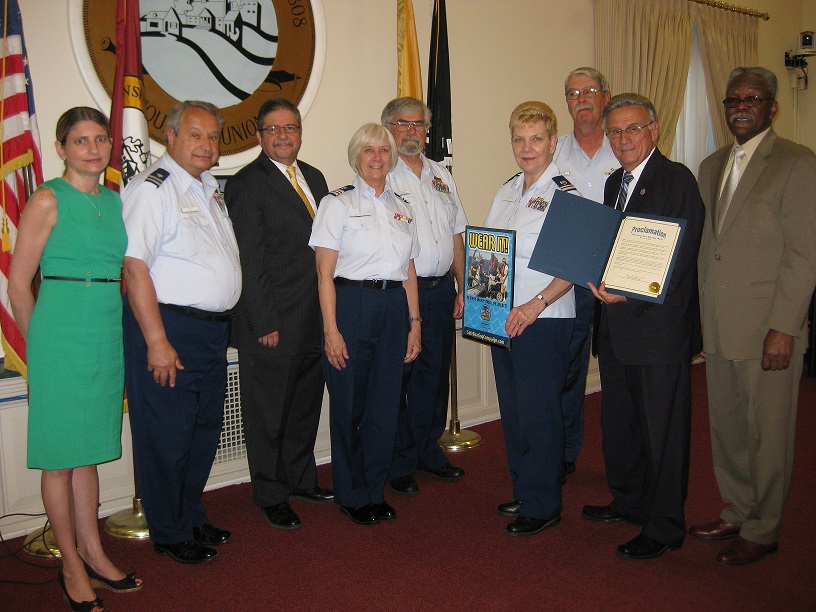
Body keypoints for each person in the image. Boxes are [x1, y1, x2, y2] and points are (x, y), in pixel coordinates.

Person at [9, 107, 141, 611]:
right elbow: (19, 284)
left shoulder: (114, 201)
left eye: (101, 139)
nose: (93, 148)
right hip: (59, 334)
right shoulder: (48, 199)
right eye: (81, 140)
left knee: (88, 452)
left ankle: (94, 552)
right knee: (62, 456)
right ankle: (69, 563)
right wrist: (40, 344)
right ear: (62, 148)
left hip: (105, 330)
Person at [690, 67, 816, 565]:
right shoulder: (710, 164)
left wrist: (785, 327)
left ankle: (764, 529)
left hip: (768, 327)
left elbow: (805, 255)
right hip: (719, 326)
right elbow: (706, 249)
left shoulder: (796, 163)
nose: (741, 107)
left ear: (772, 107)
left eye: (753, 99)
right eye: (733, 99)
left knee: (768, 434)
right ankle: (738, 509)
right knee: (727, 427)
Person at [583, 93, 704, 560]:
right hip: (616, 325)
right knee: (623, 422)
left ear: (654, 129)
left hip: (657, 330)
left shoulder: (677, 180)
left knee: (663, 431)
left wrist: (628, 290)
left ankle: (665, 524)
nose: (622, 139)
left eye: (632, 129)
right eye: (615, 131)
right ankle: (630, 500)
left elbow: (679, 256)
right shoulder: (616, 181)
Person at [122, 101, 242, 564]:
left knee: (202, 430)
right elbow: (134, 268)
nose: (206, 144)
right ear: (169, 137)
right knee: (168, 436)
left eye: (212, 137)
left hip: (209, 334)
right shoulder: (154, 189)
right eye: (195, 134)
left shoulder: (208, 187)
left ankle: (189, 513)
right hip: (169, 329)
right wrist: (156, 341)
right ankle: (170, 532)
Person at [225, 98, 333, 531]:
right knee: (268, 412)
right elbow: (248, 259)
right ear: (259, 135)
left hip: (313, 316)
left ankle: (300, 478)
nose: (283, 135)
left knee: (305, 405)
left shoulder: (315, 177)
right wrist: (263, 320)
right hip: (271, 322)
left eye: (290, 127)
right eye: (273, 129)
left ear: (300, 132)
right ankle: (270, 493)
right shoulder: (247, 184)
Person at [309, 123, 421, 526]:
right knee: (350, 403)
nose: (377, 157)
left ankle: (374, 489)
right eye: (369, 150)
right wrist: (331, 330)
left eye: (384, 150)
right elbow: (323, 274)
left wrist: (415, 322)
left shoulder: (403, 206)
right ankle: (352, 493)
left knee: (385, 403)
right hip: (351, 304)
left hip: (394, 306)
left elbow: (408, 268)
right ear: (356, 156)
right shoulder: (335, 204)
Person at [485, 101, 577, 536]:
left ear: (553, 142)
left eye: (536, 138)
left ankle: (543, 504)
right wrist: (476, 298)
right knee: (516, 411)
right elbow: (490, 250)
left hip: (544, 318)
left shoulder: (565, 194)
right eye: (519, 139)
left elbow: (574, 266)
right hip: (503, 318)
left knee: (541, 413)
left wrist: (535, 304)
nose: (527, 147)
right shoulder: (506, 191)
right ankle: (525, 487)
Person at [380, 97, 467, 496]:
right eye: (403, 124)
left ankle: (427, 451)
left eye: (418, 124)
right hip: (401, 298)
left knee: (433, 377)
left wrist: (463, 285)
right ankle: (397, 460)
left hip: (439, 292)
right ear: (389, 128)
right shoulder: (381, 174)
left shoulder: (440, 174)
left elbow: (457, 236)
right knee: (399, 378)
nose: (412, 131)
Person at [553, 67, 619, 478]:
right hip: (571, 280)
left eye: (590, 90)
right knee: (568, 373)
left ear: (605, 96)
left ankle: (625, 461)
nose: (582, 99)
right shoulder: (554, 152)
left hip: (620, 281)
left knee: (621, 373)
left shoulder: (625, 146)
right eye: (573, 92)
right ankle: (563, 453)